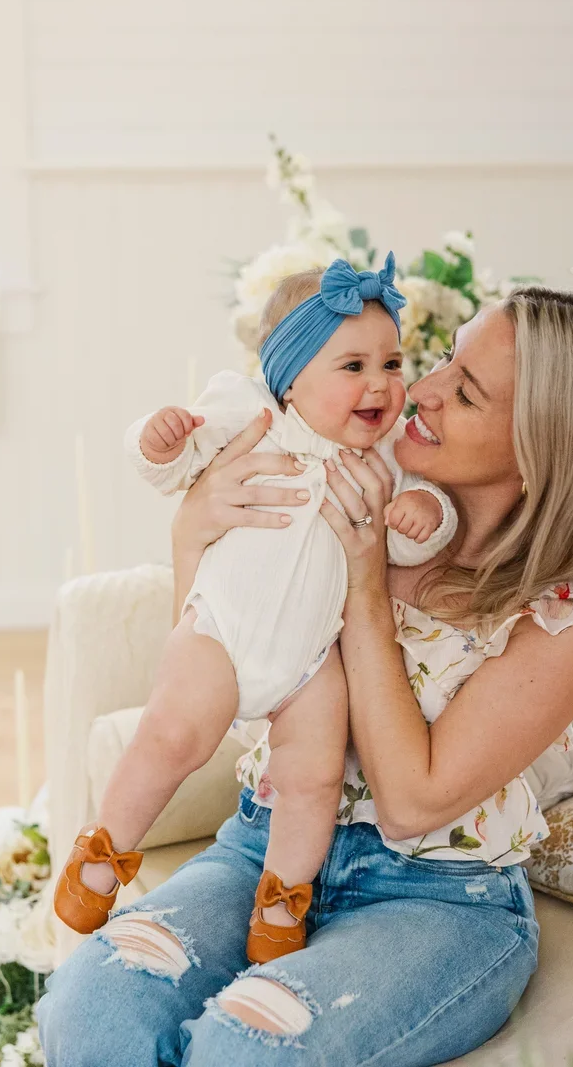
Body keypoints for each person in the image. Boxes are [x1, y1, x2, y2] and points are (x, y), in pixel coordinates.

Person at [39, 286, 573, 1066]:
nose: (424, 388)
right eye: (444, 358)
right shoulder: (353, 474)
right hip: (266, 848)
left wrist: (368, 584)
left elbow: (413, 800)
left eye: (467, 391)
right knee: (89, 1010)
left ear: (546, 443)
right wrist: (191, 536)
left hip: (437, 900)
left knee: (247, 1050)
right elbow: (238, 685)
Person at [52, 253, 457, 964]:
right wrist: (159, 437)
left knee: (314, 777)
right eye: (353, 366)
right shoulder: (251, 413)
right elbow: (170, 468)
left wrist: (427, 511)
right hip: (222, 631)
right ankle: (105, 850)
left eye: (392, 365)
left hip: (309, 661)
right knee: (174, 736)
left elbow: (415, 538)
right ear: (291, 374)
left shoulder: (392, 457)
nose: (380, 385)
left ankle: (281, 901)